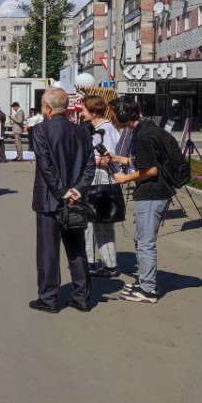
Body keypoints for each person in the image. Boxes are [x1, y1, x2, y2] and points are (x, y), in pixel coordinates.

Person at [29, 89, 95, 313]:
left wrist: (62, 191)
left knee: (48, 251)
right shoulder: (83, 131)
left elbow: (45, 165)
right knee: (77, 249)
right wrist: (77, 190)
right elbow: (90, 166)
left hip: (50, 200)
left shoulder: (41, 130)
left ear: (48, 108)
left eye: (42, 105)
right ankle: (82, 297)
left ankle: (48, 298)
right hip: (75, 199)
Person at [105, 98, 174, 303]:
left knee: (145, 243)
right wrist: (121, 159)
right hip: (153, 192)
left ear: (124, 114)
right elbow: (148, 159)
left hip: (152, 193)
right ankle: (146, 280)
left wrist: (125, 178)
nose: (113, 118)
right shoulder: (145, 129)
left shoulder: (143, 135)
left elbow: (151, 170)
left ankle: (148, 290)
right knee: (140, 238)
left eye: (114, 114)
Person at [82, 95, 121, 278]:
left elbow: (109, 159)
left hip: (102, 179)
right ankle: (92, 262)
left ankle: (108, 265)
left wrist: (89, 159)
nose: (81, 112)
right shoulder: (96, 128)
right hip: (95, 178)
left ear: (93, 111)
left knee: (101, 223)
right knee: (91, 222)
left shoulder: (105, 129)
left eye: (84, 109)